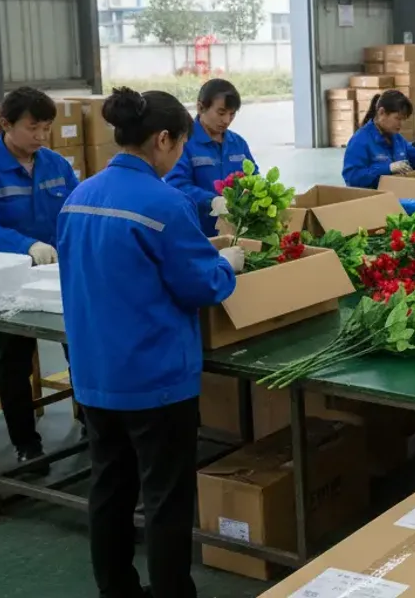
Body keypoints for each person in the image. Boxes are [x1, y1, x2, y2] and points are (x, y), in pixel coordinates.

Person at [57, 87, 241, 598]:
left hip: (96, 378)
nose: (180, 153)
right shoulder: (165, 203)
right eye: (180, 144)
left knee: (110, 490)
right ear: (163, 139)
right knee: (165, 498)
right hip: (156, 381)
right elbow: (199, 285)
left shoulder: (78, 197)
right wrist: (227, 266)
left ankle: (116, 589)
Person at [0, 87, 80, 472]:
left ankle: (90, 419)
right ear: (6, 124)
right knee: (15, 358)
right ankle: (26, 443)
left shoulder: (55, 164)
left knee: (79, 347)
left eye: (47, 128)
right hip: (13, 280)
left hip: (60, 275)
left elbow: (75, 210)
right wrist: (26, 246)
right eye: (33, 128)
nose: (41, 136)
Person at [164, 78, 255, 237]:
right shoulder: (184, 142)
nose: (226, 120)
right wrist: (212, 201)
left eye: (232, 114)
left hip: (234, 232)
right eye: (221, 113)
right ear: (200, 107)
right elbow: (177, 186)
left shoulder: (238, 144)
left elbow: (254, 179)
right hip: (197, 233)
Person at [342, 90, 415, 188]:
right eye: (397, 118)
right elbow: (352, 177)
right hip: (374, 198)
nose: (401, 124)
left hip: (398, 193)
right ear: (381, 112)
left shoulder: (397, 139)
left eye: (403, 120)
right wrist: (387, 168)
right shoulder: (360, 141)